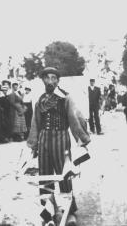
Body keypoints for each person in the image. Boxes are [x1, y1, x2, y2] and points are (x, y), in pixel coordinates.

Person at [27, 67, 91, 225]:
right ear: (43, 80)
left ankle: (68, 212)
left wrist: (82, 139)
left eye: (53, 78)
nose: (50, 81)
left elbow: (75, 118)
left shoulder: (66, 98)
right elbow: (35, 124)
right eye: (46, 78)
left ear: (58, 80)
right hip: (43, 141)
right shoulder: (40, 100)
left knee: (64, 176)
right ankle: (48, 212)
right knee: (44, 177)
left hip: (61, 139)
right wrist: (32, 146)